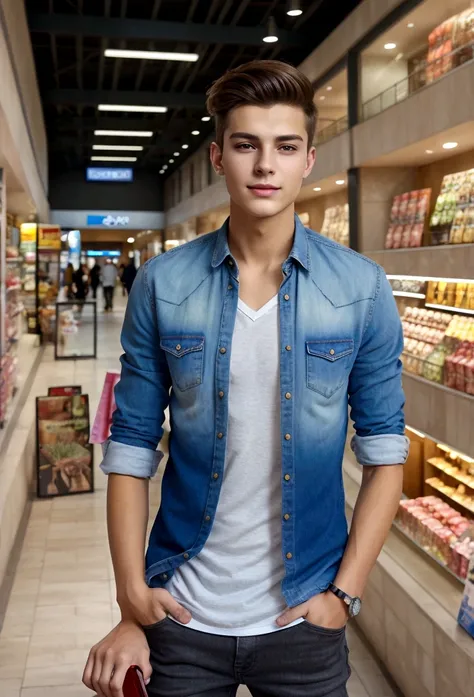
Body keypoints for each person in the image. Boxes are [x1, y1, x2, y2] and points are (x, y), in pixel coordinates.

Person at [83, 60, 408, 697]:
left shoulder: (360, 289)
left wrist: (345, 595)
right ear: (217, 157)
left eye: (285, 147)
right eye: (246, 145)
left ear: (308, 158)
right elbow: (130, 448)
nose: (266, 165)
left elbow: (385, 454)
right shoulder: (164, 285)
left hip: (305, 619)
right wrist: (130, 600)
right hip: (181, 613)